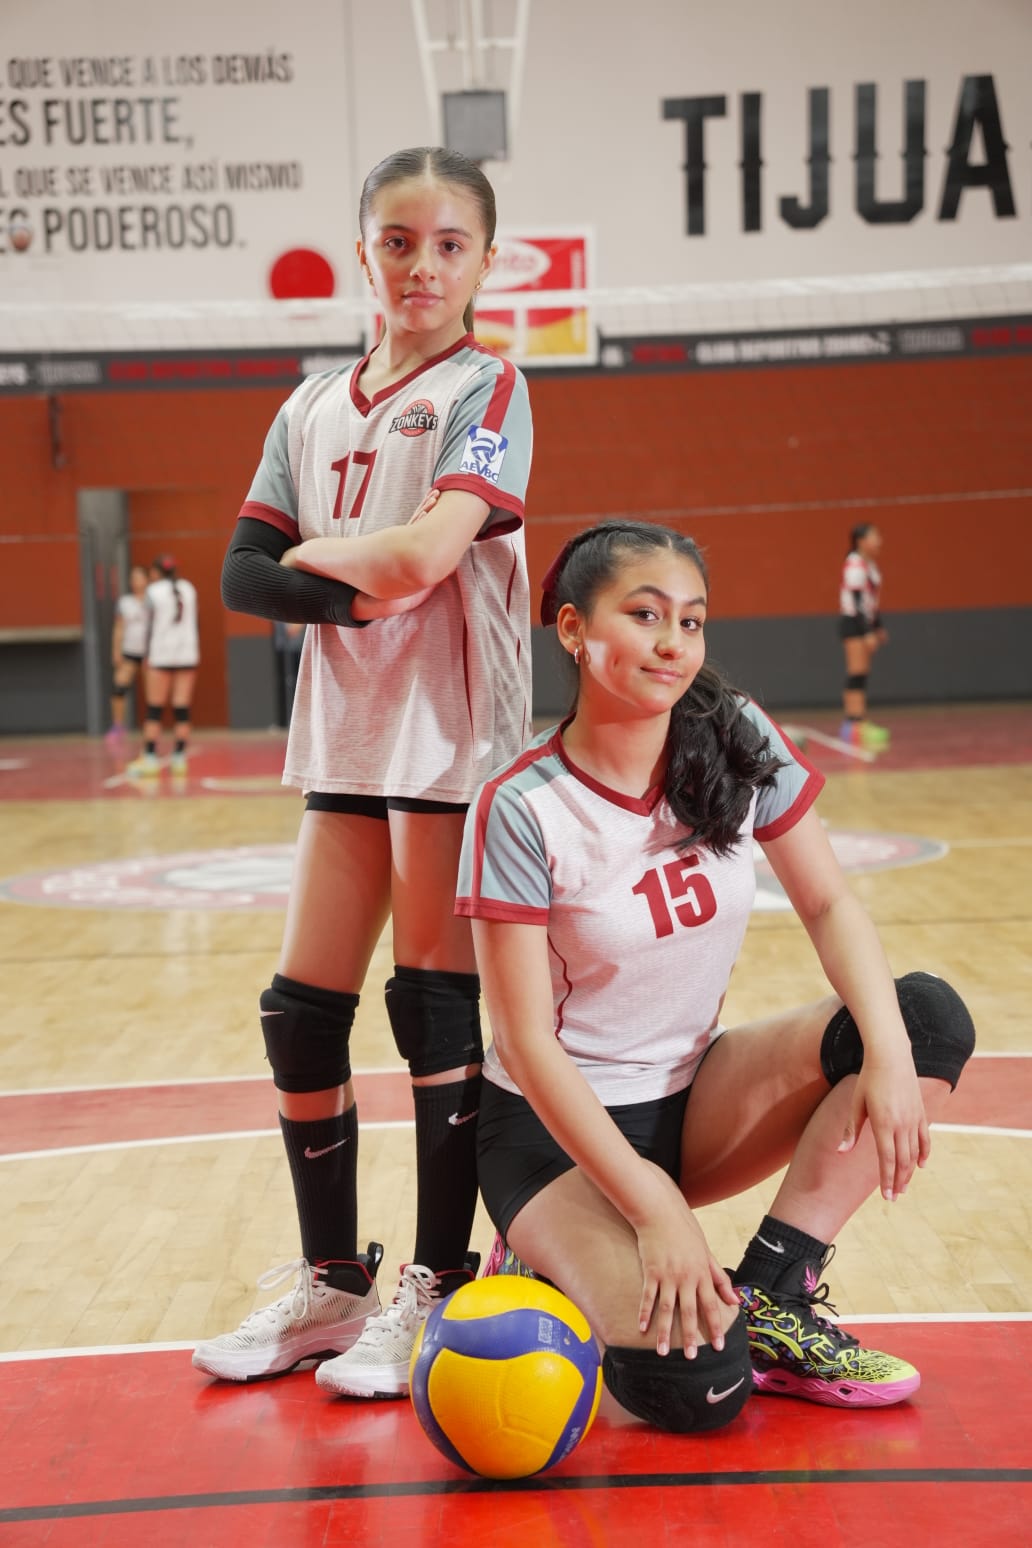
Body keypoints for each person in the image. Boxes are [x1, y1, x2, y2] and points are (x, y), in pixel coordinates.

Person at [457, 519, 974, 1434]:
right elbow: (524, 1044)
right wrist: (653, 1205)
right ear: (573, 630)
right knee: (700, 1386)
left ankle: (775, 1294)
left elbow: (829, 904)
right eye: (645, 615)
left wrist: (890, 1057)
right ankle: (540, 1254)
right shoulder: (522, 805)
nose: (673, 643)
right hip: (552, 1135)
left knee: (921, 1017)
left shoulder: (731, 734)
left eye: (691, 621)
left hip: (692, 1102)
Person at [192, 146, 533, 1397]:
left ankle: (434, 1288)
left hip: (450, 730)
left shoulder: (491, 387)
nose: (421, 265)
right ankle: (333, 1286)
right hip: (344, 730)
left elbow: (431, 558)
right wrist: (356, 577)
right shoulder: (307, 406)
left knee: (434, 1010)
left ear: (485, 261)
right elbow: (240, 575)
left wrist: (320, 559)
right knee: (301, 1014)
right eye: (398, 241)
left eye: (449, 244)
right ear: (364, 254)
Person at [126, 556, 201, 778]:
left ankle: (149, 757)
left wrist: (145, 654)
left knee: (154, 709)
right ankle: (179, 758)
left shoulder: (153, 591)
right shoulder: (189, 588)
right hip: (187, 653)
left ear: (155, 573)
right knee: (182, 708)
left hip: (160, 654)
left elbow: (147, 626)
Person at [839, 522, 889, 749]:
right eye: (874, 536)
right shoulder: (855, 564)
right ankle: (853, 723)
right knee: (856, 672)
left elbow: (872, 601)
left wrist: (877, 626)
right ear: (861, 541)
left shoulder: (869, 564)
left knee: (862, 673)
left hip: (864, 622)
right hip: (854, 622)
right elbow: (857, 601)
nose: (879, 541)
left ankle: (859, 721)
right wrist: (867, 631)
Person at [105, 564, 149, 744]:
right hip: (130, 652)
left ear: (146, 579)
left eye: (139, 577)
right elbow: (119, 627)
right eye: (133, 578)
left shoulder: (153, 600)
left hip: (149, 653)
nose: (135, 581)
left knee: (152, 692)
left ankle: (151, 726)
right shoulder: (125, 602)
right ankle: (117, 726)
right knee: (119, 687)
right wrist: (116, 650)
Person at [272, 620, 305, 728]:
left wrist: (298, 625)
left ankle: (299, 721)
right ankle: (282, 722)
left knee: (299, 683)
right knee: (281, 682)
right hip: (282, 643)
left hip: (299, 645)